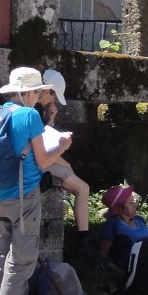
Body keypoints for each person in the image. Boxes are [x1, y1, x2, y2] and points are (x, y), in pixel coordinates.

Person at [0, 66, 72, 295]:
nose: (38, 96)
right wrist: (62, 146)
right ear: (30, 92)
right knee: (20, 266)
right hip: (25, 197)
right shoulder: (30, 116)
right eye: (37, 91)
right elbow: (44, 162)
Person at [37, 69, 93, 252]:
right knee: (83, 188)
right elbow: (41, 149)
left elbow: (43, 137)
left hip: (36, 161)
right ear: (47, 90)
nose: (53, 101)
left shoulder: (34, 109)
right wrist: (65, 163)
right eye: (53, 96)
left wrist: (50, 119)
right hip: (35, 164)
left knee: (79, 183)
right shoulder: (32, 112)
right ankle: (84, 239)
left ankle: (84, 236)